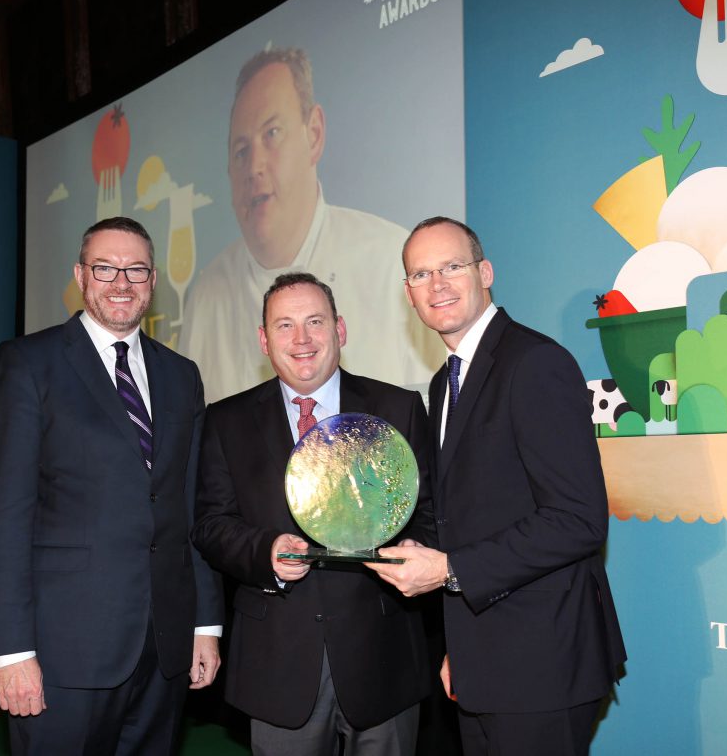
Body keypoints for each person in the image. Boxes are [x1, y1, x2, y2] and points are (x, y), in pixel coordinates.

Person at [366, 217, 627, 756]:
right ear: (408, 295)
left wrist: (449, 568)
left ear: (484, 272)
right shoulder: (445, 383)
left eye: (451, 267)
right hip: (483, 661)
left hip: (544, 663)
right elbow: (471, 516)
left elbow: (578, 519)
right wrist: (459, 639)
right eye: (420, 273)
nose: (436, 284)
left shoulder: (535, 363)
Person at [0, 216, 223, 755]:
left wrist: (205, 622)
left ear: (153, 280)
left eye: (135, 270)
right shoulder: (27, 363)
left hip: (164, 647)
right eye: (105, 268)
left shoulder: (183, 375)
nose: (121, 282)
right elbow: (3, 518)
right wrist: (11, 651)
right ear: (80, 276)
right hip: (62, 650)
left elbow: (187, 509)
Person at [191, 272, 433, 756]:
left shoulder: (397, 408)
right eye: (284, 326)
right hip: (277, 662)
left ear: (340, 330)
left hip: (381, 656)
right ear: (263, 340)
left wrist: (413, 545)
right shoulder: (225, 420)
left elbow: (430, 512)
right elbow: (210, 523)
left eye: (315, 322)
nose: (301, 340)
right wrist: (264, 552)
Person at [179, 47, 443, 403]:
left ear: (314, 134)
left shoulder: (389, 263)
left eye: (272, 134)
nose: (254, 166)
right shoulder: (206, 296)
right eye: (240, 151)